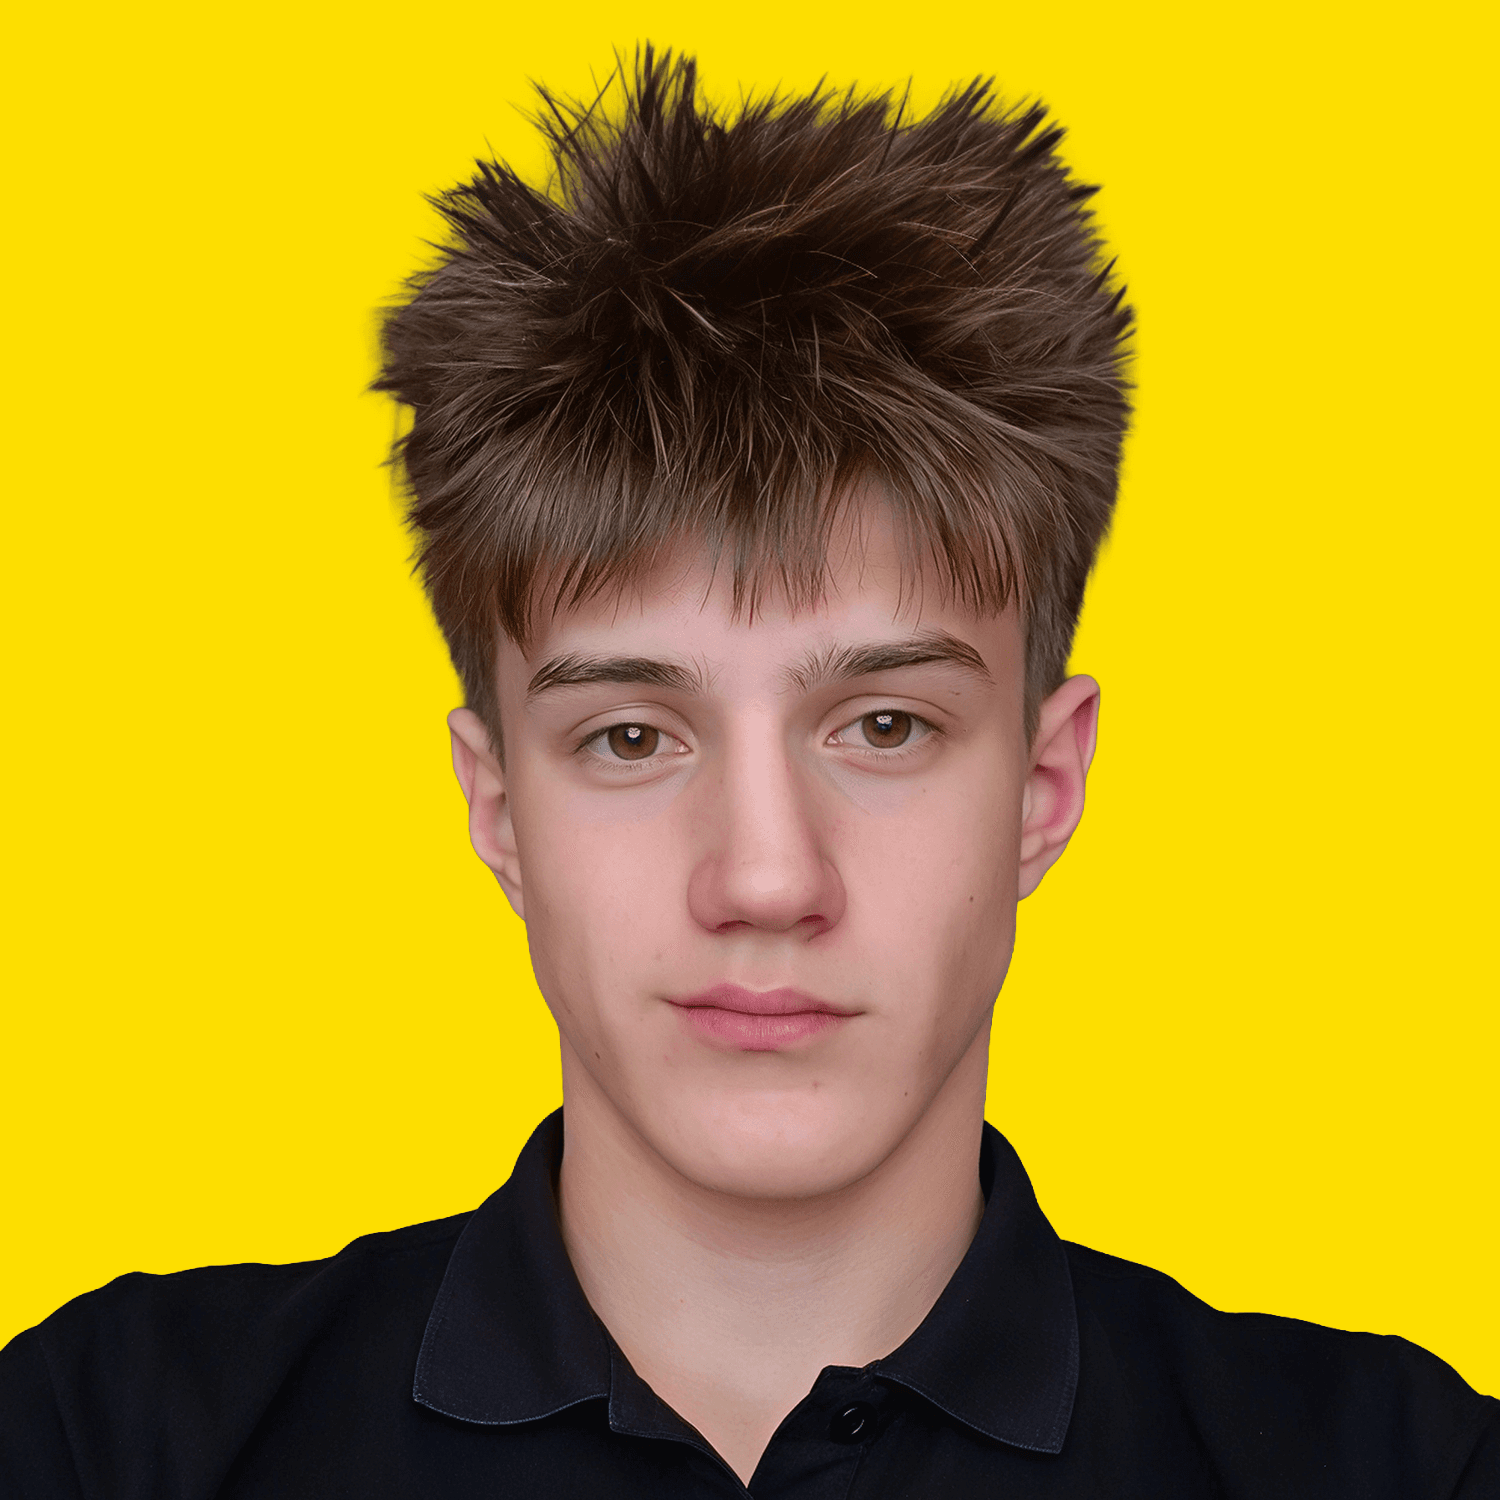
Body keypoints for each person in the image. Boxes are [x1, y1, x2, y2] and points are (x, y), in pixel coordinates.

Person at [1, 46, 1493, 1500]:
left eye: (885, 727)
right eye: (631, 737)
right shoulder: (105, 1443)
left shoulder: (1403, 1467)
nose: (767, 879)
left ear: (1044, 789)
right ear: (498, 805)